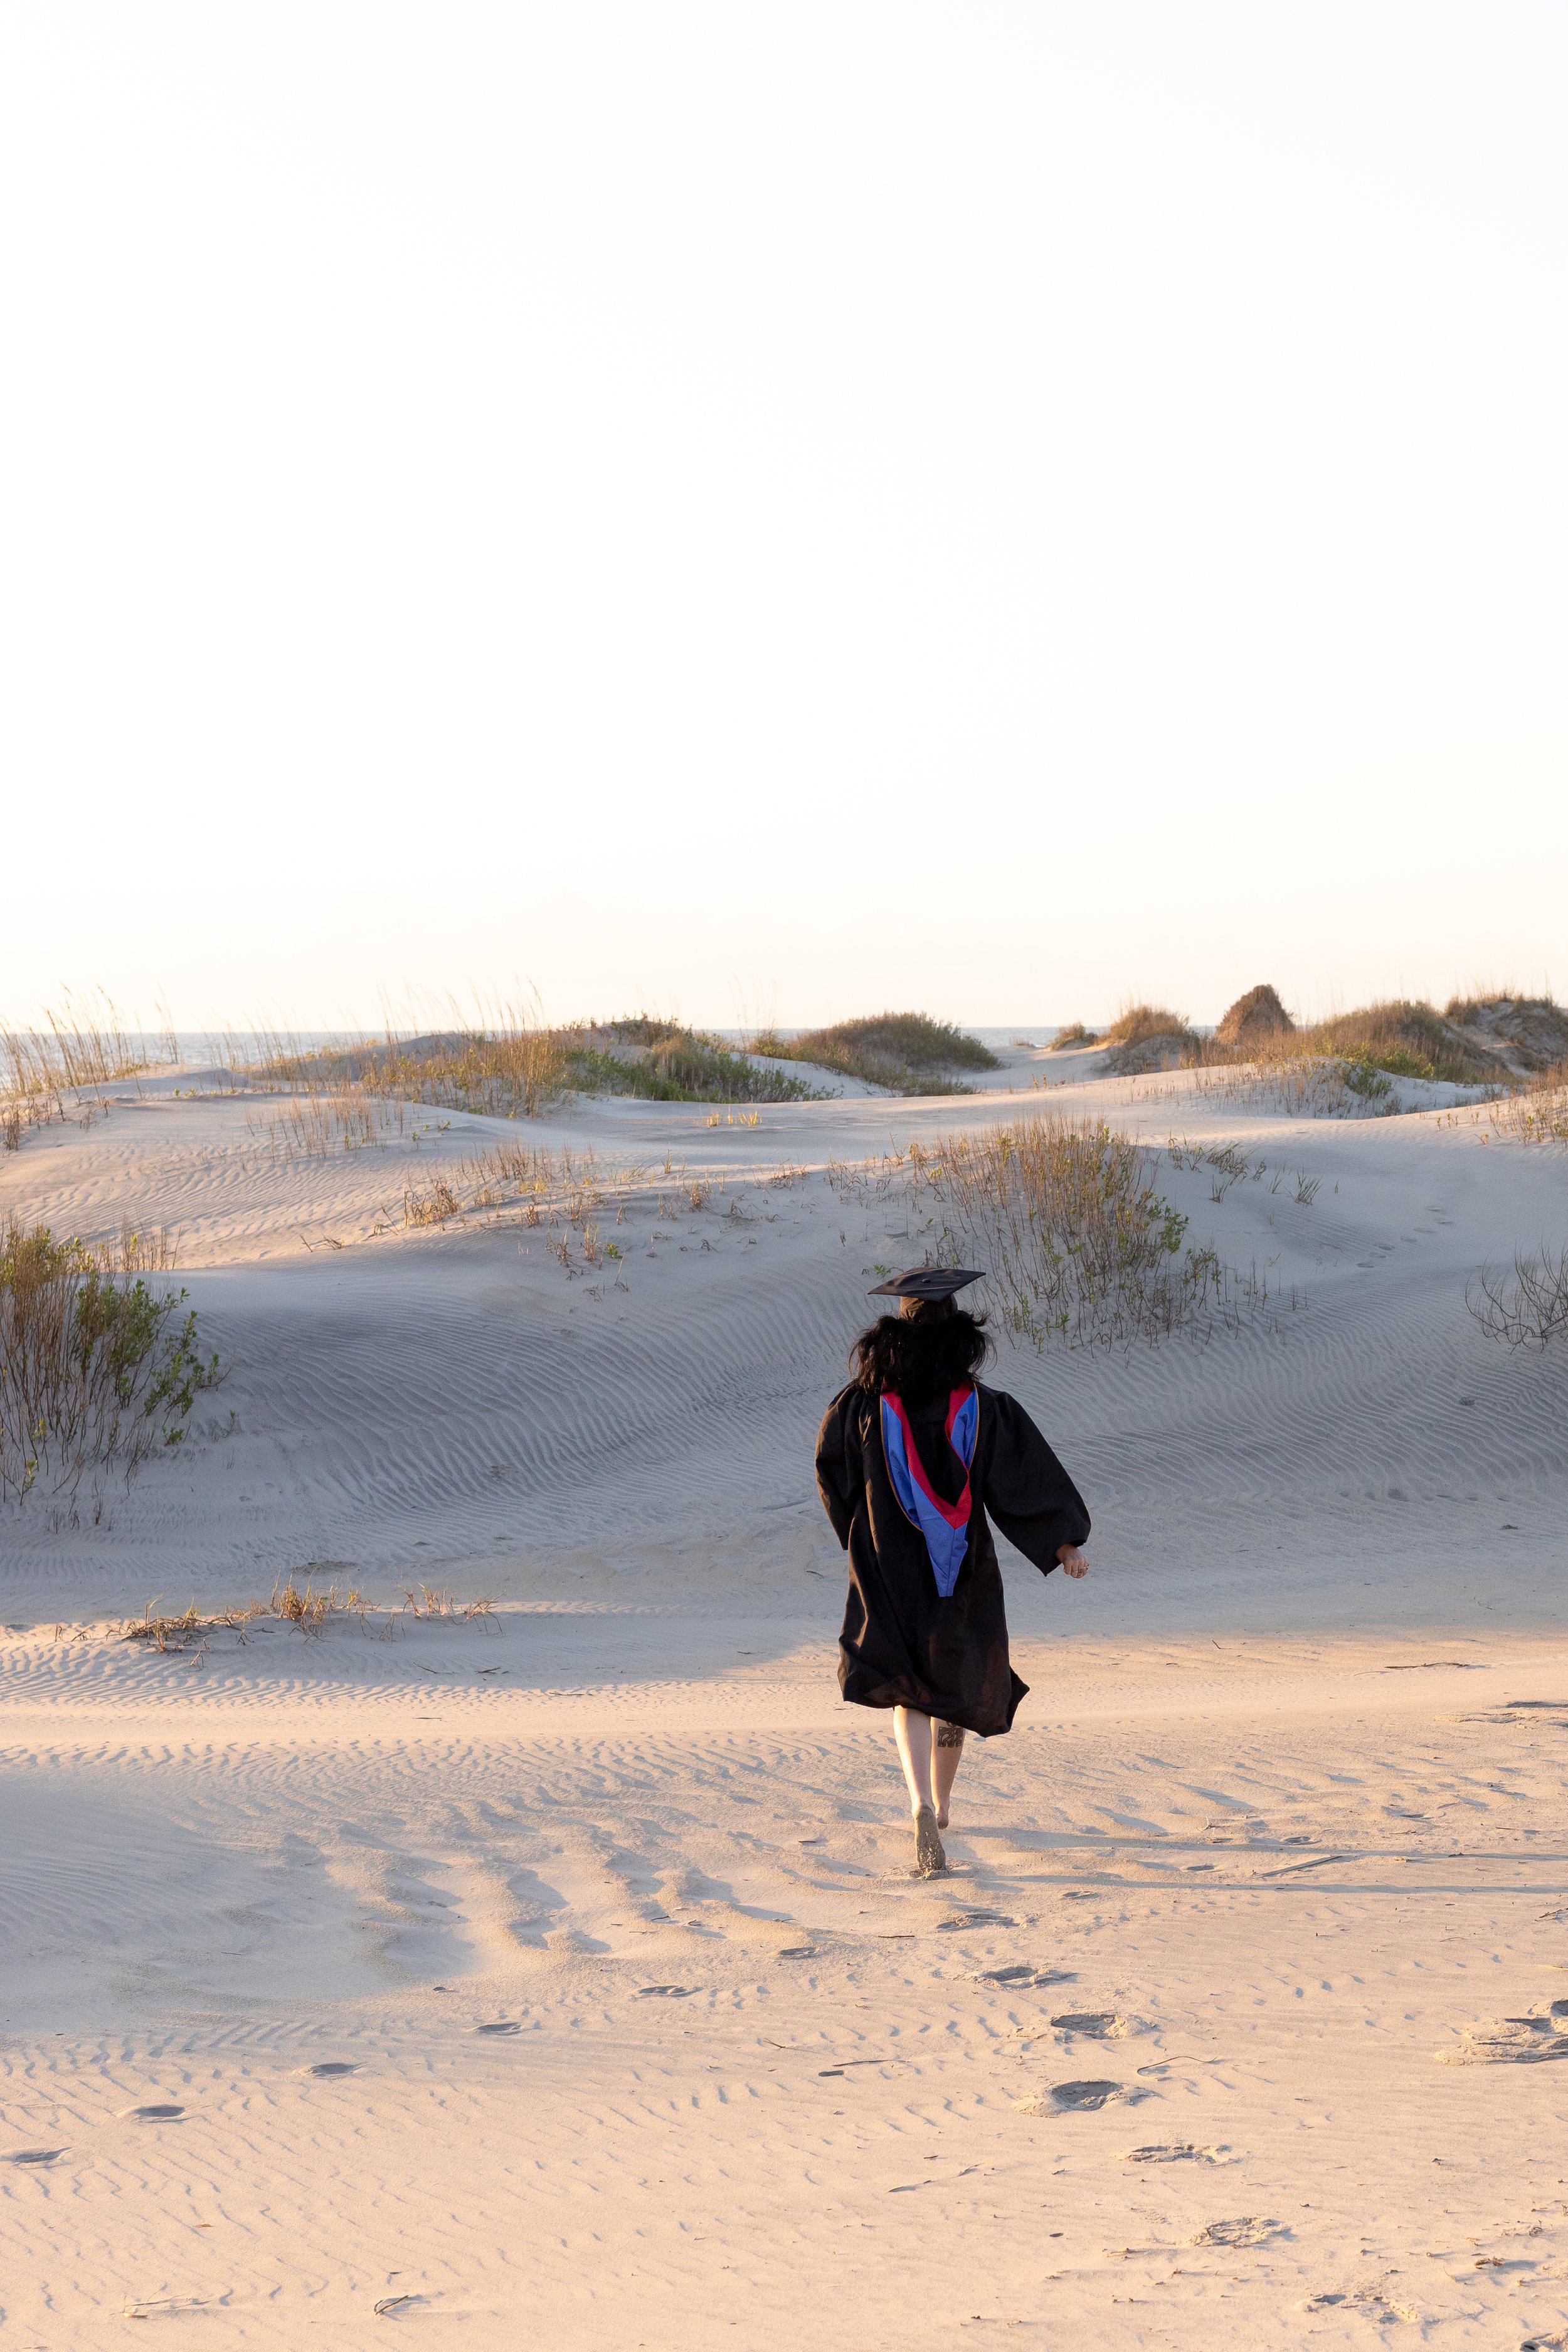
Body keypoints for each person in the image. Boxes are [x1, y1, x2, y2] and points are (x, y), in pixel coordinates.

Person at [813, 1266, 1090, 1877]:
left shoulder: (864, 1408)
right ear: (960, 1335)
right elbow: (1023, 1478)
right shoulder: (982, 1409)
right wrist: (1062, 1544)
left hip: (891, 1567)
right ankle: (941, 1808)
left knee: (906, 1687)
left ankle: (914, 1803)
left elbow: (831, 1470)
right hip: (962, 1568)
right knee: (955, 1683)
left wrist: (856, 1530)